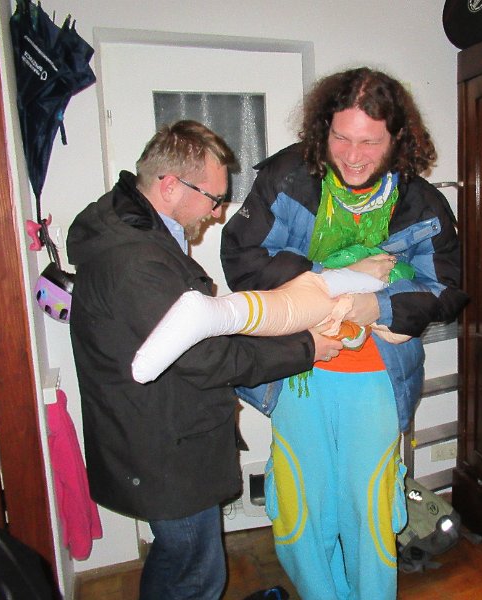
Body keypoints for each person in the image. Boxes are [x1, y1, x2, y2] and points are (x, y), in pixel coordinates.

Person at [66, 120, 342, 600]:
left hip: (154, 428)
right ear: (170, 185)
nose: (218, 213)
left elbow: (197, 328)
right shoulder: (136, 260)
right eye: (214, 199)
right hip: (164, 445)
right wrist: (306, 348)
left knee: (178, 557)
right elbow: (205, 355)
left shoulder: (133, 229)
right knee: (195, 569)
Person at [220, 68, 469, 600]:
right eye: (341, 138)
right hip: (297, 369)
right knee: (302, 508)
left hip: (376, 377)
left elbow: (446, 289)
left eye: (370, 142)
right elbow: (242, 261)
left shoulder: (421, 202)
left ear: (397, 139)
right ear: (322, 128)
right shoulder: (288, 177)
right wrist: (332, 278)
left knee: (370, 507)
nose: (353, 156)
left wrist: (377, 303)